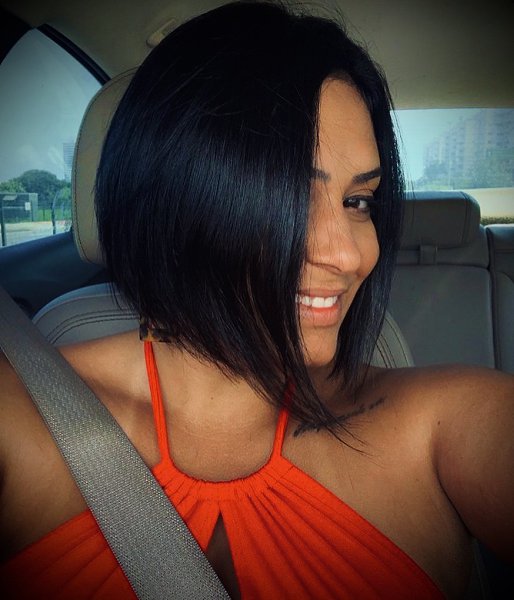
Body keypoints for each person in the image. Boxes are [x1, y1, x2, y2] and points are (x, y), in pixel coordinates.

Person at [1, 1, 513, 598]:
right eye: (288, 196)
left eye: (358, 202)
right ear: (175, 198)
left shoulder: (441, 423)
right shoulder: (23, 421)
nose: (349, 256)